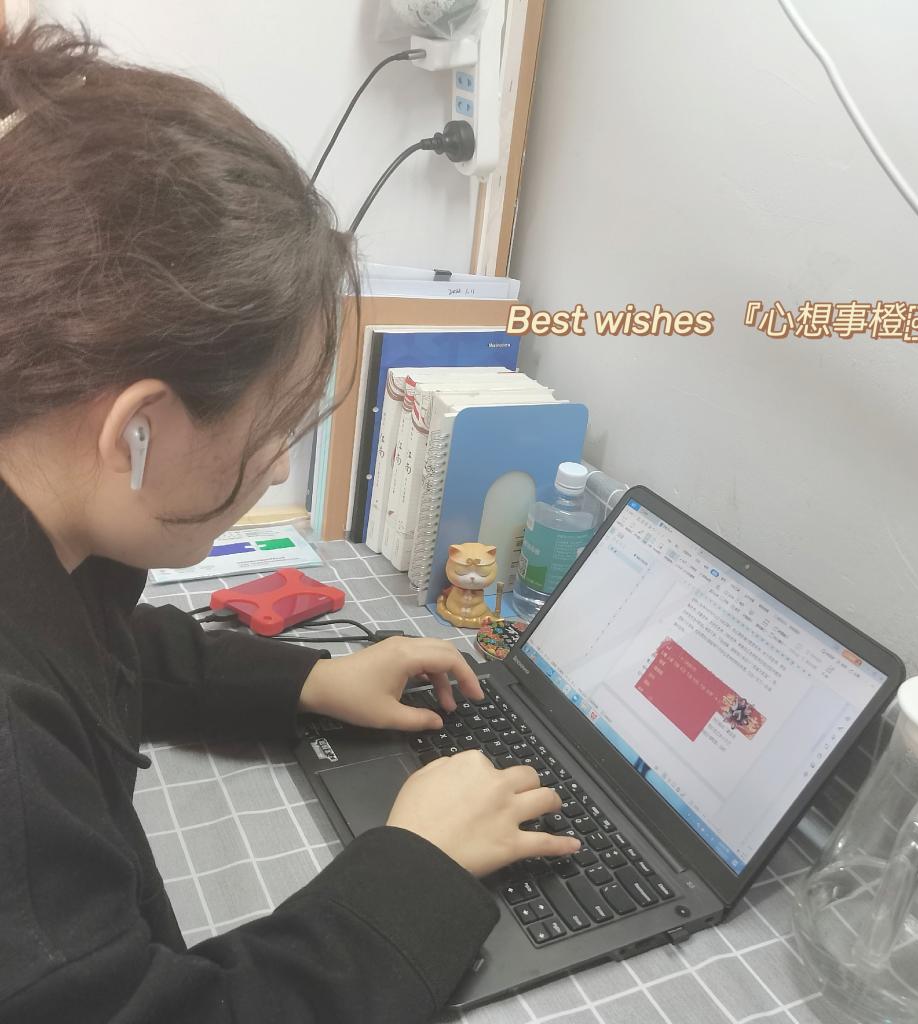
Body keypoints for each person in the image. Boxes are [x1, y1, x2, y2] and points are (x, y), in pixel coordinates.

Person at [0, 21, 579, 1023]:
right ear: (136, 430)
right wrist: (418, 867)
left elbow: (93, 651)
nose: (276, 466)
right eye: (272, 430)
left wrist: (306, 680)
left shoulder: (44, 543)